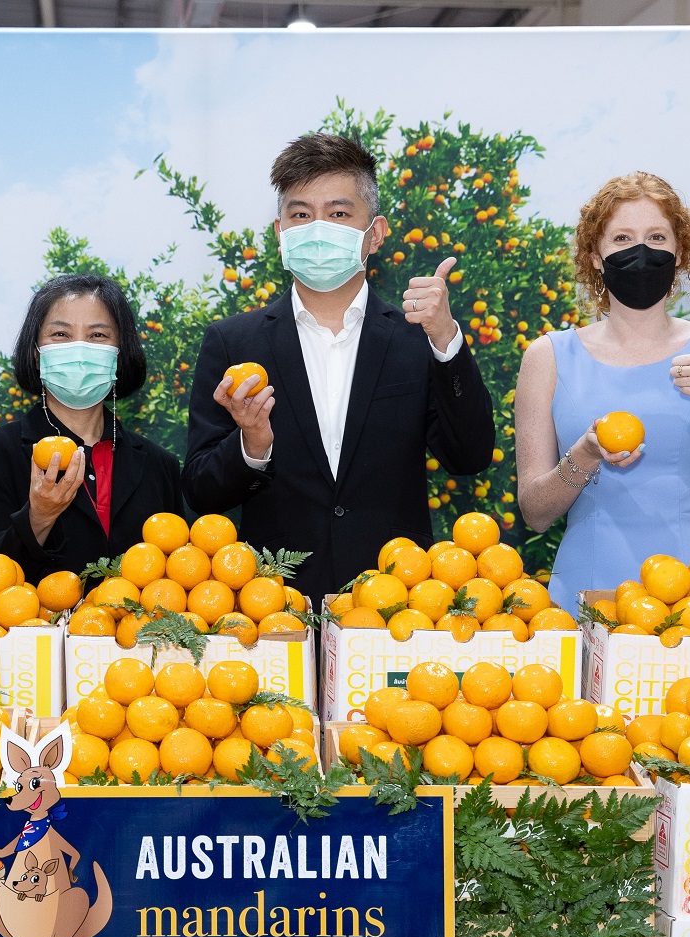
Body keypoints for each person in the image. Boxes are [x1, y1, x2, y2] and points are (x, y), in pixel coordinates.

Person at [181, 133, 495, 601]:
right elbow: (201, 491)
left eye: (339, 213)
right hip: (271, 609)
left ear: (376, 232)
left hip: (396, 607)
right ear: (280, 233)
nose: (318, 227)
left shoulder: (418, 338)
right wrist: (251, 444)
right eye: (301, 214)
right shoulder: (233, 341)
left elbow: (468, 457)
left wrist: (446, 339)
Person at [513, 172, 690, 611]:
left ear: (680, 251)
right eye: (622, 237)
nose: (640, 251)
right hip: (582, 600)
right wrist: (585, 455)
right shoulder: (548, 356)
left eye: (657, 236)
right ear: (594, 256)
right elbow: (535, 512)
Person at [0, 275, 183, 579]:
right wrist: (37, 518)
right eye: (61, 334)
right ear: (37, 354)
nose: (79, 350)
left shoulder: (160, 466)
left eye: (98, 335)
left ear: (120, 354)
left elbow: (178, 572)